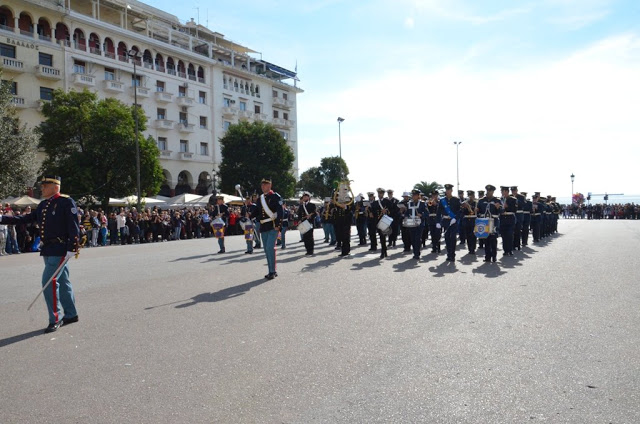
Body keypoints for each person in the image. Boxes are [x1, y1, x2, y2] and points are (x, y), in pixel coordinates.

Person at [0, 175, 81, 333]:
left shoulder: (65, 201)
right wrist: (2, 218)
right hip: (48, 248)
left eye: (45, 186)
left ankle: (55, 318)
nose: (42, 188)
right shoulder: (44, 204)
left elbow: (73, 225)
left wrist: (73, 246)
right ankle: (71, 314)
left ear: (55, 187)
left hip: (60, 248)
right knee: (63, 281)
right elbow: (25, 218)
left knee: (48, 282)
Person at [251, 178, 283, 279]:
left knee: (270, 248)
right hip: (264, 227)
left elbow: (280, 211)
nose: (263, 187)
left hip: (273, 225)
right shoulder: (260, 198)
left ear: (270, 186)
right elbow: (257, 211)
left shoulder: (275, 197)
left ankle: (273, 271)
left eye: (265, 185)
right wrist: (250, 214)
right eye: (262, 185)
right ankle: (270, 270)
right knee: (266, 249)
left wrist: (278, 225)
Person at [476, 184, 502, 263]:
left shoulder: (497, 200)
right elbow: (478, 212)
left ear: (493, 191)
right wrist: (476, 211)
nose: (488, 192)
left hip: (493, 221)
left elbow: (501, 211)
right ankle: (487, 257)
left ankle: (494, 256)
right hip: (484, 222)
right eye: (487, 190)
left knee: (493, 239)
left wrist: (499, 208)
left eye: (490, 191)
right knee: (486, 240)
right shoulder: (481, 200)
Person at [439, 184, 461, 262]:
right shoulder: (442, 200)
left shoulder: (456, 200)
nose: (448, 191)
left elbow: (460, 211)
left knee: (453, 238)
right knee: (447, 237)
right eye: (446, 190)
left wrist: (455, 218)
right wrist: (437, 222)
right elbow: (439, 211)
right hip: (445, 221)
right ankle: (449, 254)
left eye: (449, 190)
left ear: (451, 190)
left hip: (453, 221)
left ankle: (452, 254)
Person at [404, 189, 427, 259]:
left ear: (418, 196)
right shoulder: (409, 203)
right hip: (411, 222)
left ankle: (417, 253)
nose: (413, 197)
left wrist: (421, 215)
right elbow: (407, 213)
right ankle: (415, 251)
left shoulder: (422, 203)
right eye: (413, 195)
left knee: (417, 238)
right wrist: (406, 216)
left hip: (419, 223)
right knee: (412, 238)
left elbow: (427, 213)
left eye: (415, 195)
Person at [371, 188, 392, 259]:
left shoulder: (387, 201)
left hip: (385, 221)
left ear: (383, 194)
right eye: (379, 193)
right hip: (378, 221)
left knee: (383, 236)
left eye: (381, 193)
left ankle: (383, 251)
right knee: (381, 236)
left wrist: (386, 211)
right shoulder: (375, 202)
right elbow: (373, 211)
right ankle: (384, 250)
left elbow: (392, 209)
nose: (379, 195)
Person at [499, 186, 517, 257]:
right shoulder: (500, 199)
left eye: (502, 191)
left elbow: (514, 210)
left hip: (510, 218)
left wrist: (507, 206)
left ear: (506, 191)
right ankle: (505, 250)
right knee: (503, 235)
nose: (502, 193)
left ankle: (510, 250)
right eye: (501, 191)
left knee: (509, 235)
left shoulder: (513, 199)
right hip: (503, 218)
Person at [462, 190, 477, 254]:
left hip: (473, 220)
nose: (470, 197)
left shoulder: (476, 203)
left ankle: (473, 248)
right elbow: (462, 212)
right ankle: (469, 248)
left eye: (471, 196)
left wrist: (469, 207)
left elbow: (474, 212)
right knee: (467, 235)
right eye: (469, 196)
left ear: (474, 196)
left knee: (473, 235)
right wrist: (463, 207)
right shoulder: (465, 203)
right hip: (466, 220)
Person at [511, 186, 524, 251]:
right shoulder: (510, 197)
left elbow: (523, 205)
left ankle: (517, 245)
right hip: (512, 215)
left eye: (514, 190)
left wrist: (516, 200)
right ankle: (512, 245)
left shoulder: (521, 197)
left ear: (517, 190)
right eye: (512, 191)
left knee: (517, 230)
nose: (513, 192)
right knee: (512, 230)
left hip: (519, 215)